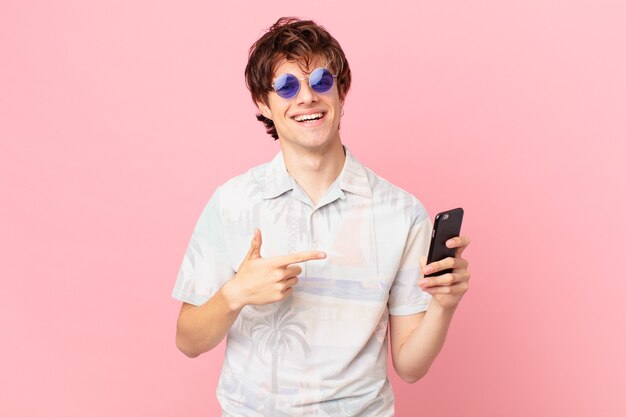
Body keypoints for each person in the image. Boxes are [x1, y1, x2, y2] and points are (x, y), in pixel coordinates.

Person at [172, 17, 471, 417]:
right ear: (264, 103)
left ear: (342, 91)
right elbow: (189, 341)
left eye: (321, 81)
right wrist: (236, 293)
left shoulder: (402, 213)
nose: (307, 97)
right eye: (287, 86)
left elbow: (411, 367)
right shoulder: (233, 202)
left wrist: (444, 305)